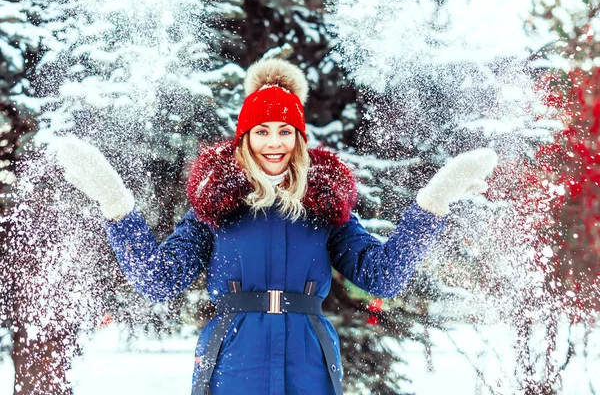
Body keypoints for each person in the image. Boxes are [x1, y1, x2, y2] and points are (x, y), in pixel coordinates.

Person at [53, 58, 498, 395]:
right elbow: (158, 280)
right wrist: (116, 207)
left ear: (299, 139)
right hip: (233, 354)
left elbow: (381, 275)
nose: (273, 143)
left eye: (285, 131)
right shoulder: (214, 204)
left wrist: (430, 207)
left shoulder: (326, 204)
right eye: (261, 131)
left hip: (310, 358)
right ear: (244, 137)